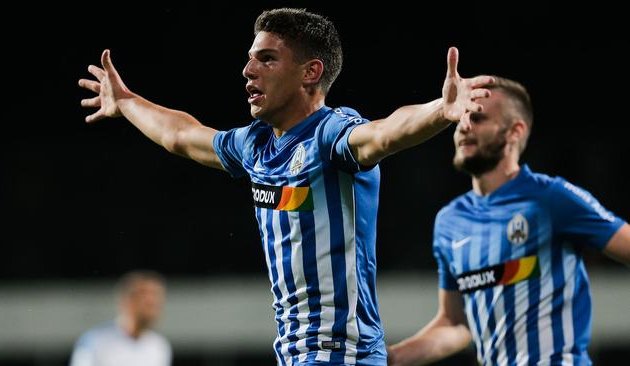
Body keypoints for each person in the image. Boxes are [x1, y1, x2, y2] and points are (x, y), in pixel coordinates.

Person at [78, 8, 493, 365]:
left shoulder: (331, 135)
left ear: (310, 72)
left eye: (267, 59)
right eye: (249, 59)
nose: (248, 70)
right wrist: (128, 102)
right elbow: (183, 137)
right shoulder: (256, 145)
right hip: (293, 354)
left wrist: (440, 111)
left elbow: (385, 134)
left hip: (341, 353)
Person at [387, 76, 630, 366]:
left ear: (514, 131)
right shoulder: (449, 221)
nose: (464, 126)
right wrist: (389, 358)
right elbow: (455, 323)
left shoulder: (551, 198)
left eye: (478, 118)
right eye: (461, 118)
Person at [69, 270, 171, 366]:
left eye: (156, 297)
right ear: (126, 300)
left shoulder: (159, 346)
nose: (152, 303)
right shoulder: (95, 341)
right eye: (144, 296)